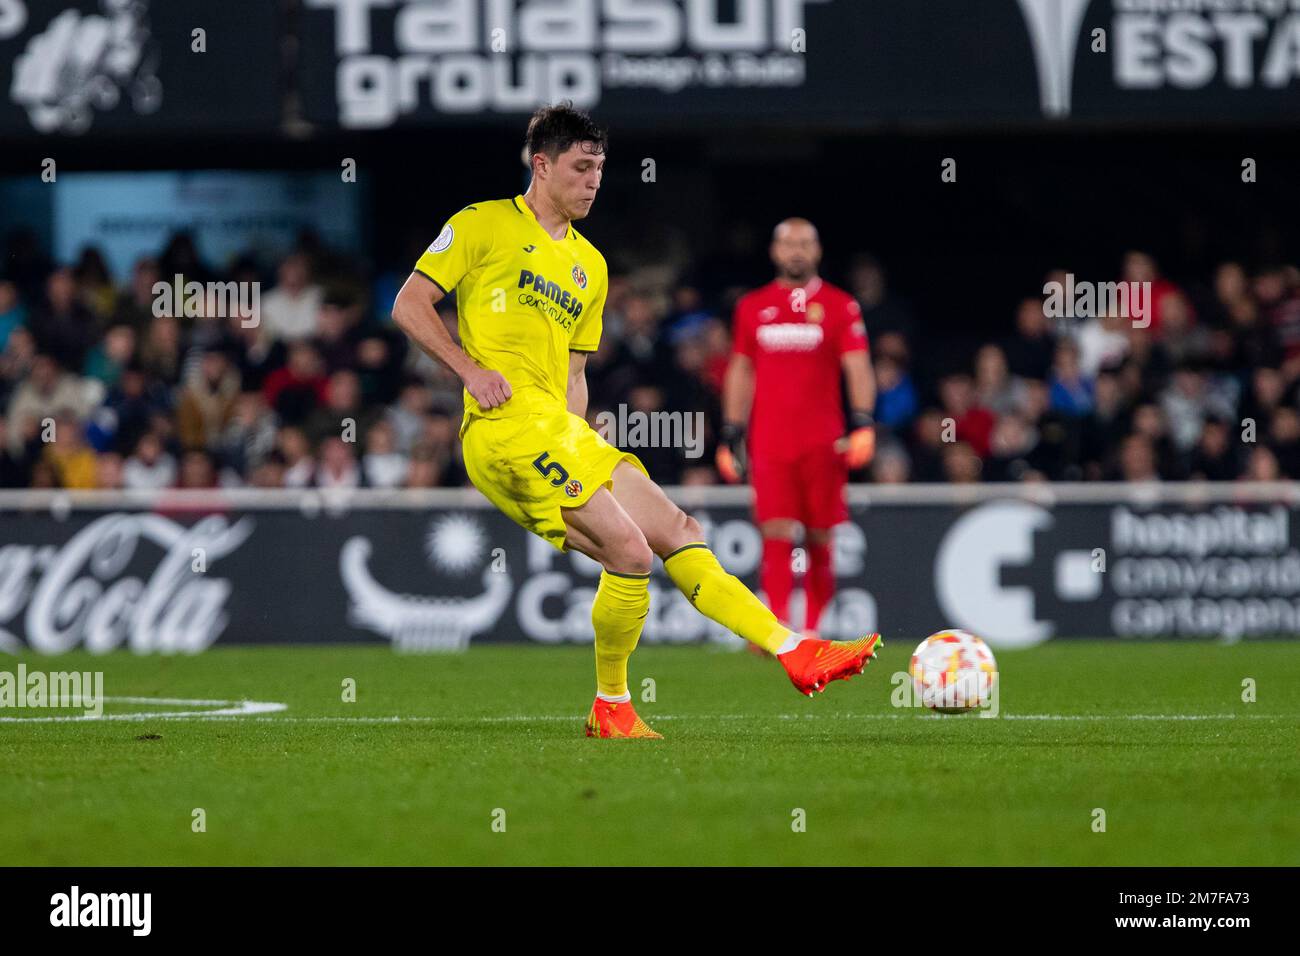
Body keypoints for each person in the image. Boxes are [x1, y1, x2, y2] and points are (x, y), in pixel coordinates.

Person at [391, 104, 882, 740]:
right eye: (581, 167)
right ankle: (613, 706)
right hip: (502, 428)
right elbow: (410, 303)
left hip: (557, 430)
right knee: (628, 549)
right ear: (541, 166)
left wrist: (576, 432)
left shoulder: (589, 267)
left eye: (600, 168)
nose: (594, 181)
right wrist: (466, 369)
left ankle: (794, 649)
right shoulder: (482, 224)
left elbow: (574, 375)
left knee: (678, 527)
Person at [717, 218, 877, 638]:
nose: (796, 251)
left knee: (821, 533)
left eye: (805, 242)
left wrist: (863, 423)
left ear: (818, 251)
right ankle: (779, 630)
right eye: (788, 243)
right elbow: (741, 370)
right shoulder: (752, 307)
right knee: (775, 530)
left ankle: (813, 629)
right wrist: (732, 431)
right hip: (769, 439)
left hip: (824, 438)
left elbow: (857, 366)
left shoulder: (842, 306)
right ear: (774, 252)